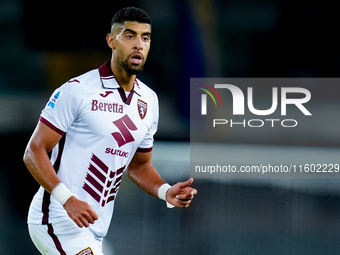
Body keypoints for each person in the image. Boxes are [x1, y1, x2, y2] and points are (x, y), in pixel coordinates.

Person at [23, 6, 197, 255]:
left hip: (95, 227)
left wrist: (165, 191)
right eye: (129, 35)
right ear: (111, 40)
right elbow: (34, 151)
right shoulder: (78, 90)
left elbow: (140, 166)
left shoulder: (149, 101)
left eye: (145, 38)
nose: (138, 44)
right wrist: (68, 200)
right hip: (56, 219)